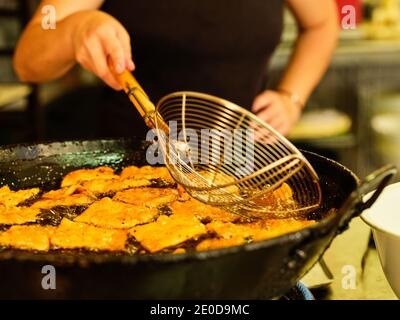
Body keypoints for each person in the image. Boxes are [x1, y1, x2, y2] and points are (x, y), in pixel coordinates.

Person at [13, 0, 339, 138]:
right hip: (132, 166)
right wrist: (75, 28)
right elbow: (28, 61)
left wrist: (290, 98)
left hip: (242, 162)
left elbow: (322, 24)